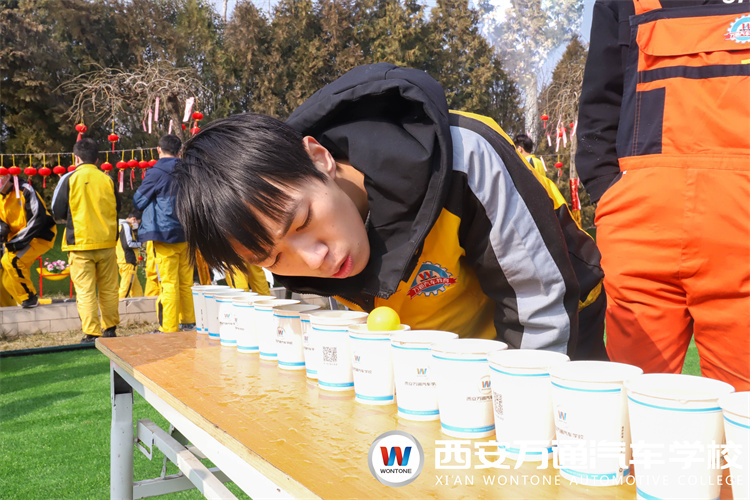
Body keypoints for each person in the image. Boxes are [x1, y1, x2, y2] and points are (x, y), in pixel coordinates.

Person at [174, 63, 607, 360]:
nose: (314, 259)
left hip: (556, 329)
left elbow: (538, 304)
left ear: (319, 159)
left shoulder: (465, 160)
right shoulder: (317, 242)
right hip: (443, 359)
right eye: (273, 258)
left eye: (302, 221)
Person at [576, 0, 750, 390]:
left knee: (743, 407)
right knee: (632, 398)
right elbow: (599, 109)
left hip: (741, 234)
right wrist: (612, 195)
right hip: (641, 228)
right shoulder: (624, 3)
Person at [51, 138, 120, 343]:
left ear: (76, 158)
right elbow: (117, 207)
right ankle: (110, 329)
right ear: (97, 160)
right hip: (107, 242)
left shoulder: (69, 178)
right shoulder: (107, 179)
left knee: (85, 290)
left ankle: (92, 333)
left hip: (80, 243)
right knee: (109, 288)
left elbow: (57, 211)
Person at [133, 134, 195, 332]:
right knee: (186, 282)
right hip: (187, 233)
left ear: (158, 150)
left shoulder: (156, 172)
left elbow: (138, 200)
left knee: (168, 283)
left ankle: (168, 328)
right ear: (180, 151)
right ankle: (189, 322)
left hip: (163, 235)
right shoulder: (189, 170)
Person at [0, 174, 57, 308]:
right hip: (16, 239)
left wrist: (18, 242)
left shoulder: (25, 190)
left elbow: (38, 218)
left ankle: (29, 297)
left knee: (13, 260)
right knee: (7, 279)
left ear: (7, 176)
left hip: (39, 236)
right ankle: (22, 304)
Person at [116, 213, 144, 299]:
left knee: (136, 290)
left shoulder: (119, 226)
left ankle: (141, 306)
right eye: (138, 222)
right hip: (128, 261)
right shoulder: (126, 226)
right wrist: (140, 244)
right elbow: (128, 244)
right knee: (126, 288)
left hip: (124, 260)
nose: (137, 225)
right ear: (134, 219)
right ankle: (118, 305)